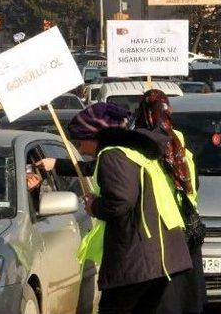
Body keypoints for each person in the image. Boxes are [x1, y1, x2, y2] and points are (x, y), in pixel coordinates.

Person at [37, 102, 191, 314]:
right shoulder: (134, 151)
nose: (79, 148)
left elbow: (120, 201)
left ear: (95, 136)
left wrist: (94, 206)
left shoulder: (112, 155)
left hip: (136, 258)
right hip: (160, 255)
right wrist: (58, 165)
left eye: (80, 141)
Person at [133, 90, 206, 314]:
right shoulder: (179, 141)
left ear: (144, 113)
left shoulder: (143, 144)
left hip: (163, 230)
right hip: (188, 226)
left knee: (166, 299)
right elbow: (193, 183)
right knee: (188, 296)